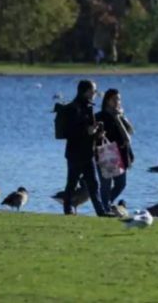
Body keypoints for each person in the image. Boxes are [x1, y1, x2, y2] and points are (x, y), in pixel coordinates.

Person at [63, 80, 109, 217]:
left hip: (88, 153)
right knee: (72, 183)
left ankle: (101, 212)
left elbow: (88, 130)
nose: (95, 93)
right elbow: (70, 131)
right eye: (93, 91)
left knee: (94, 184)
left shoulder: (88, 107)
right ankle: (68, 209)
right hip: (75, 153)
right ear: (85, 91)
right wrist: (87, 131)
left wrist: (97, 134)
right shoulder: (73, 108)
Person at [96, 89, 134, 211]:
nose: (118, 102)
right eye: (115, 99)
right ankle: (105, 209)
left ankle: (106, 205)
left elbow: (129, 134)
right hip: (106, 152)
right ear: (107, 101)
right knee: (106, 184)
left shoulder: (120, 116)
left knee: (121, 184)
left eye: (119, 99)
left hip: (120, 153)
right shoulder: (100, 116)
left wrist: (119, 118)